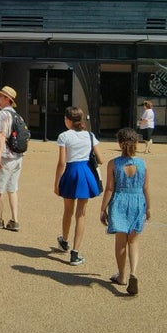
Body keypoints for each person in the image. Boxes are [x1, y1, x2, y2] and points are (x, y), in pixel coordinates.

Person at [100, 127, 150, 295]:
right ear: (136, 143)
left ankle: (121, 276)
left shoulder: (113, 163)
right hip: (137, 201)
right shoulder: (142, 163)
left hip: (119, 201)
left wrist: (103, 208)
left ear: (120, 144)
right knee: (133, 241)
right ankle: (133, 273)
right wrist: (148, 207)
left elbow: (109, 188)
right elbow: (146, 187)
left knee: (120, 242)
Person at [54, 106, 103, 266]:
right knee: (81, 214)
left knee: (68, 210)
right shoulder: (90, 135)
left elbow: (61, 162)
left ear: (68, 120)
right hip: (85, 172)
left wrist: (57, 183)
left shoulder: (64, 136)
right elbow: (101, 159)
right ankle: (75, 253)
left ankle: (65, 240)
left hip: (71, 172)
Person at [0, 86, 22, 231]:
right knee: (13, 188)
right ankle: (15, 220)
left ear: (7, 99)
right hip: (17, 157)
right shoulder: (17, 115)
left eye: (0, 96)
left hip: (6, 157)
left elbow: (1, 135)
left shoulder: (2, 115)